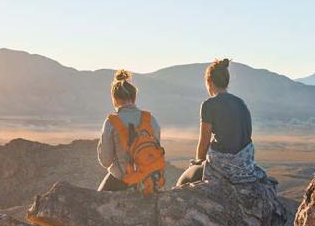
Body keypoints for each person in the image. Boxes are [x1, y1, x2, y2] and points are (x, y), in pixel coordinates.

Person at [177, 58, 264, 186]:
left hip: (222, 167)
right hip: (245, 167)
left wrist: (198, 162)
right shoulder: (241, 103)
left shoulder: (209, 105)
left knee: (185, 180)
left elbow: (204, 142)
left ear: (209, 82)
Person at [97, 69, 166, 193]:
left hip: (122, 180)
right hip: (150, 178)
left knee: (96, 203)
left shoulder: (111, 122)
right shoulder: (150, 119)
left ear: (115, 99)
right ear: (134, 97)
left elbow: (105, 161)